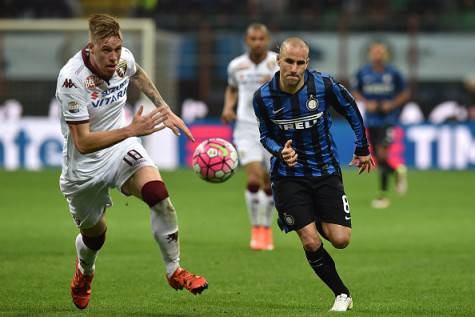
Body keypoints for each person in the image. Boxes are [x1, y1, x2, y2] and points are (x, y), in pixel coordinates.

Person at [55, 14, 207, 310]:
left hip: (121, 147)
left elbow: (138, 74)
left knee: (159, 196)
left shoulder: (124, 58)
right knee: (95, 236)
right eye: (106, 51)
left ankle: (174, 270)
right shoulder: (72, 80)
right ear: (92, 47)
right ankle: (85, 272)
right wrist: (132, 129)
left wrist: (164, 109)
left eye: (117, 48)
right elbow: (83, 142)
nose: (114, 57)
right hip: (84, 166)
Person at [253, 37, 374, 312]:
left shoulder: (323, 85)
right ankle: (341, 293)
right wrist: (278, 150)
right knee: (310, 241)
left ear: (307, 63)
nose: (294, 68)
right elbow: (265, 134)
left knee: (341, 240)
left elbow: (351, 109)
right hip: (288, 176)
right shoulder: (263, 96)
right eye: (289, 62)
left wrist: (362, 146)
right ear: (278, 61)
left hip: (326, 171)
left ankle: (311, 215)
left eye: (300, 63)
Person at [221, 23, 279, 251]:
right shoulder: (236, 65)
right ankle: (256, 229)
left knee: (270, 182)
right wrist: (228, 107)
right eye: (253, 39)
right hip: (245, 128)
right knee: (254, 178)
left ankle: (266, 227)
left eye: (261, 38)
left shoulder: (277, 63)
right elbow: (232, 88)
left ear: (267, 40)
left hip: (273, 128)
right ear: (247, 40)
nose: (257, 42)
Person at [352, 41, 410, 209]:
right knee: (378, 158)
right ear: (371, 54)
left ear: (385, 55)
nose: (378, 55)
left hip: (388, 120)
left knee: (383, 155)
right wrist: (366, 102)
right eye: (375, 52)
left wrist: (393, 104)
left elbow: (405, 92)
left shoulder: (393, 73)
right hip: (372, 121)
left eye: (381, 52)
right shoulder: (363, 73)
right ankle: (397, 172)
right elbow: (356, 91)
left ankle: (383, 196)